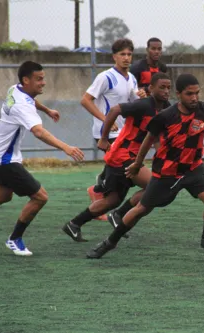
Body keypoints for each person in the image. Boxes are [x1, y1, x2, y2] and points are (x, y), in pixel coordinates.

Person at [86, 73, 204, 259]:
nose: (194, 98)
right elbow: (148, 140)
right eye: (190, 94)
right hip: (167, 172)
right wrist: (137, 164)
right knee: (141, 210)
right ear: (179, 94)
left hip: (193, 168)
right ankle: (109, 242)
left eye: (197, 93)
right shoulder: (166, 116)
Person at [0, 61, 84, 256]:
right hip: (5, 160)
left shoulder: (15, 89)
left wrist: (46, 110)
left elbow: (31, 100)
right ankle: (14, 239)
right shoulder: (23, 106)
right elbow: (38, 132)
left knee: (3, 195)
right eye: (39, 79)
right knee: (40, 197)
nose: (44, 83)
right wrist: (66, 147)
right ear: (26, 80)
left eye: (43, 78)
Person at [62, 73, 171, 242]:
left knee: (112, 200)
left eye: (168, 88)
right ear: (151, 88)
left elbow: (156, 136)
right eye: (162, 87)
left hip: (132, 157)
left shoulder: (165, 108)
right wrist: (104, 138)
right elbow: (115, 110)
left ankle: (74, 224)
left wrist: (163, 153)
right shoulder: (142, 105)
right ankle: (119, 214)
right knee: (156, 186)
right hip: (123, 155)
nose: (166, 91)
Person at [80, 38, 145, 220]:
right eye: (122, 54)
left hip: (125, 133)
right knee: (127, 172)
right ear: (114, 56)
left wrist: (141, 96)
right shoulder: (105, 77)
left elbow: (131, 104)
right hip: (107, 133)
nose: (126, 58)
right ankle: (101, 197)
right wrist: (105, 118)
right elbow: (85, 100)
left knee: (121, 173)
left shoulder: (131, 78)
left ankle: (98, 191)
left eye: (129, 54)